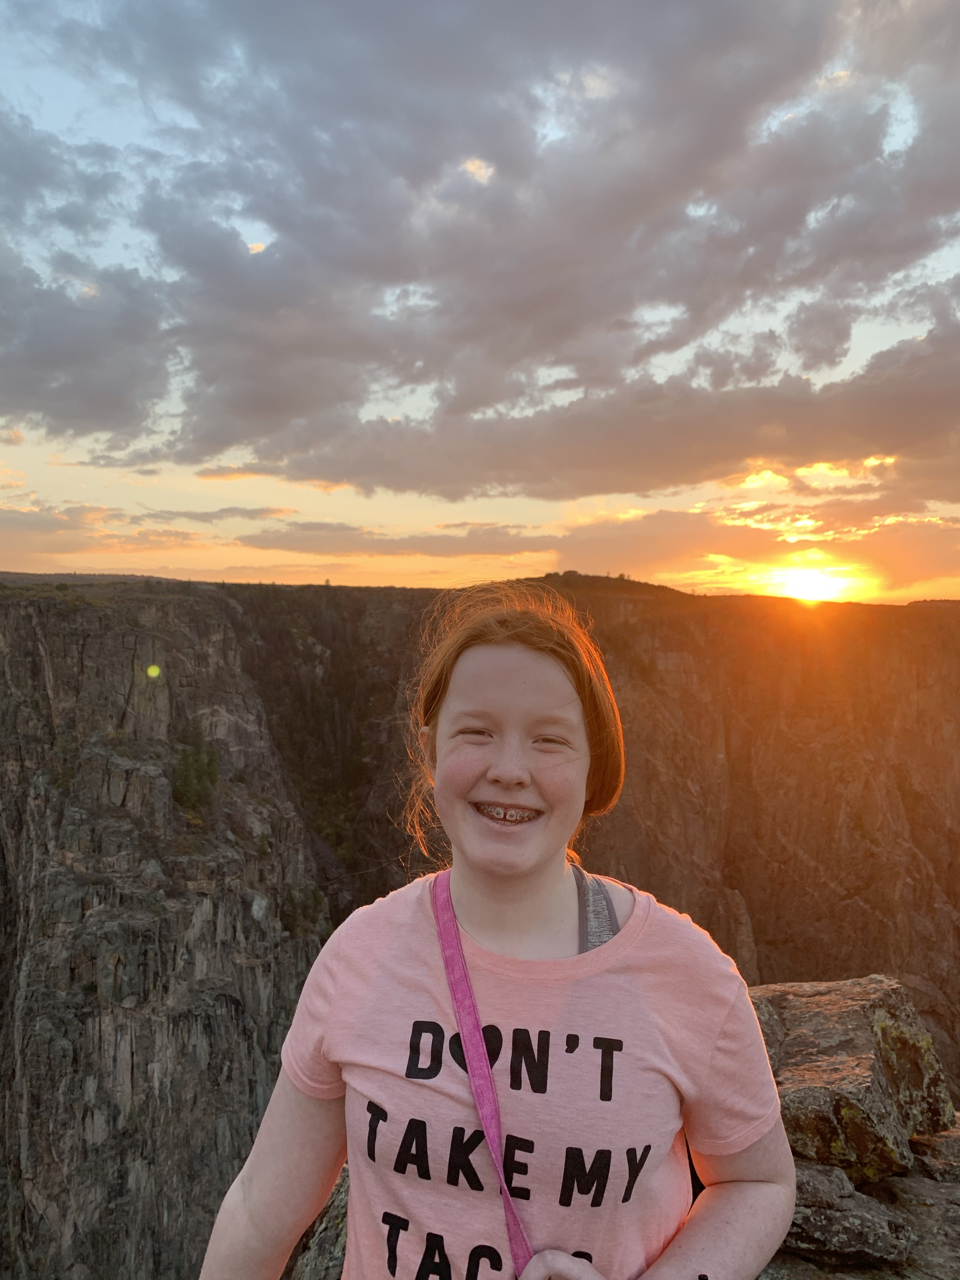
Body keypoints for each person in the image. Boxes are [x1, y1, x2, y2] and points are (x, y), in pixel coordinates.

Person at [198, 581, 796, 1280]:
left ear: (590, 766)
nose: (510, 771)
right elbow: (261, 1212)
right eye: (477, 732)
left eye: (549, 740)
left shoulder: (687, 972)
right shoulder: (360, 956)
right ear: (429, 751)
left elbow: (756, 1183)